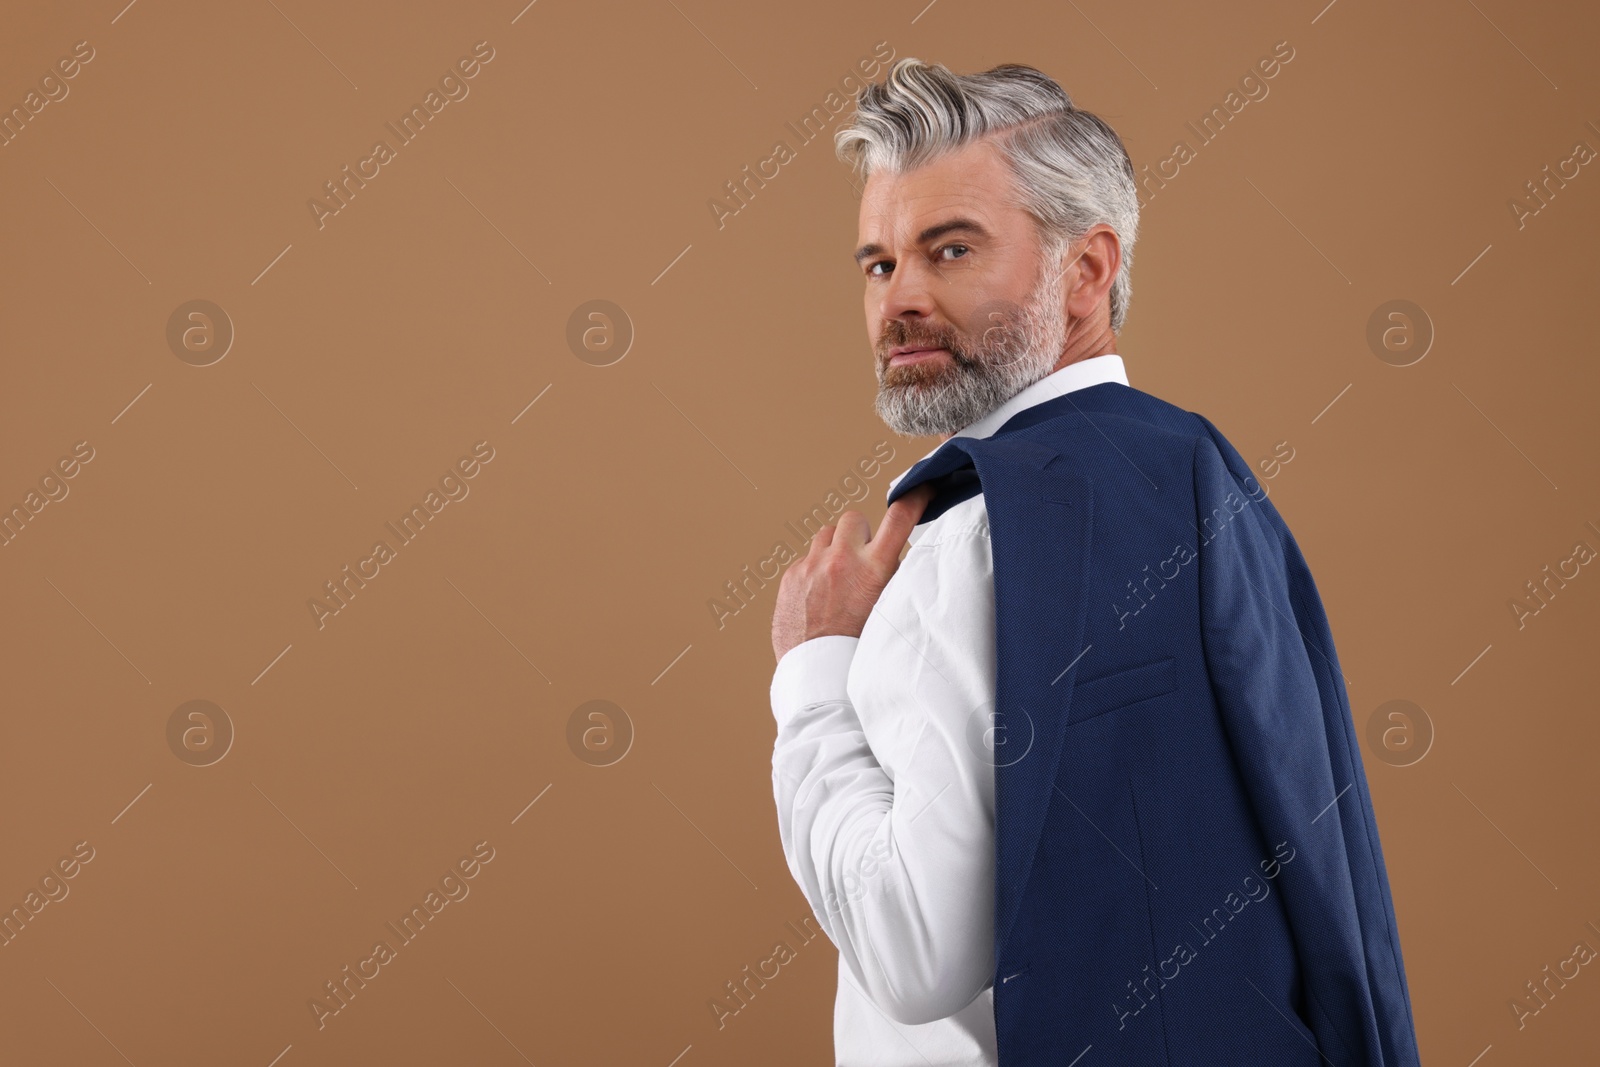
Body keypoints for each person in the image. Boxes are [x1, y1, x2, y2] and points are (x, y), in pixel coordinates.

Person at [768, 58, 1421, 1066]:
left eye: (949, 250)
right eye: (878, 262)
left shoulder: (961, 541)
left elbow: (914, 952)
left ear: (1086, 269)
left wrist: (814, 675)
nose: (898, 299)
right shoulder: (1204, 478)